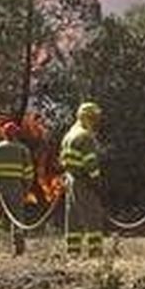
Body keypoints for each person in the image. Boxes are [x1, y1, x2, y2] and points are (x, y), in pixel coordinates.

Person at [59, 102, 107, 258]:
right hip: (83, 180)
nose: (96, 121)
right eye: (94, 118)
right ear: (86, 117)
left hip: (70, 178)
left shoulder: (69, 135)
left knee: (73, 218)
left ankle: (72, 251)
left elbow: (62, 159)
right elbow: (90, 162)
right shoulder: (85, 136)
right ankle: (95, 252)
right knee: (93, 215)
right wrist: (97, 181)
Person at [0, 120, 35, 255]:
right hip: (16, 189)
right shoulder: (23, 150)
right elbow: (29, 173)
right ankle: (19, 248)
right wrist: (26, 189)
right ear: (17, 134)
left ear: (4, 134)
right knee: (17, 219)